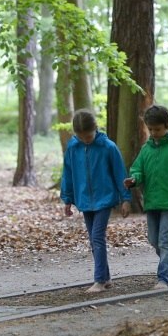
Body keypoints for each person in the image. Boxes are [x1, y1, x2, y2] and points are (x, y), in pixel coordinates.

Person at [61, 109, 132, 293]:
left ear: (96, 129)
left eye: (89, 136)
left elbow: (120, 174)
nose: (86, 140)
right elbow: (68, 174)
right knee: (94, 240)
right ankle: (106, 278)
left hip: (105, 198)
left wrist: (125, 198)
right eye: (82, 137)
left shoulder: (108, 147)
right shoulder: (73, 148)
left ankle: (99, 280)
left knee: (97, 237)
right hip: (84, 200)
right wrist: (67, 198)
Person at [124, 105, 168, 289]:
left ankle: (163, 278)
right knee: (154, 241)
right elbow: (137, 169)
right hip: (152, 202)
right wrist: (134, 179)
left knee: (165, 240)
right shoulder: (146, 149)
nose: (154, 133)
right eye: (151, 129)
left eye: (158, 129)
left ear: (167, 126)